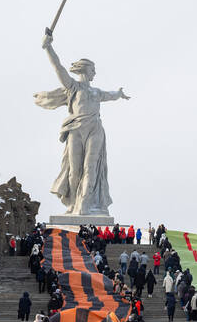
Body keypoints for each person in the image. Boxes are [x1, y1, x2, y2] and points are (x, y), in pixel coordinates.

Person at [35, 33, 129, 216]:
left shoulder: (96, 92)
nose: (95, 73)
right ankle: (73, 203)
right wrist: (48, 47)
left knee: (91, 167)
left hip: (94, 129)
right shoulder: (73, 87)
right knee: (74, 170)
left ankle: (85, 205)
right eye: (93, 70)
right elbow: (58, 67)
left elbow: (111, 95)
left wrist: (118, 93)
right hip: (75, 129)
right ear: (86, 70)